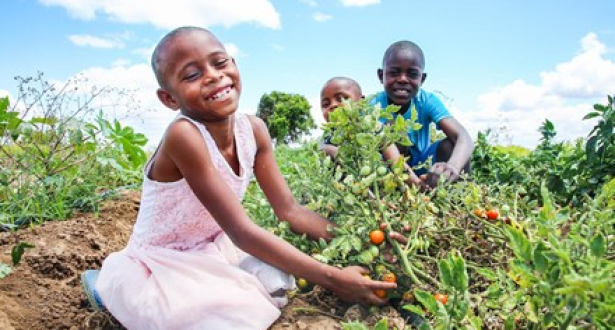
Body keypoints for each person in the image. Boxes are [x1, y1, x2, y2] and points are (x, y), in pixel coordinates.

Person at [79, 27, 397, 330]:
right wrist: (333, 278)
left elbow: (290, 210)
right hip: (161, 260)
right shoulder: (184, 136)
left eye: (220, 63)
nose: (213, 76)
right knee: (228, 317)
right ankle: (113, 289)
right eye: (192, 75)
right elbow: (242, 231)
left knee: (277, 282)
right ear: (169, 99)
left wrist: (366, 241)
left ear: (235, 64)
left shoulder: (254, 130)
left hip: (213, 246)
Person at [371, 40, 474, 188]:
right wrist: (415, 183)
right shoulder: (375, 105)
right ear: (381, 75)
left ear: (422, 79)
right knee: (390, 130)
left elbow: (463, 137)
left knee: (450, 145)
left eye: (412, 74)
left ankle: (461, 196)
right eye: (394, 72)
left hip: (423, 166)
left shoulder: (427, 100)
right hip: (390, 168)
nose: (402, 79)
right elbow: (386, 147)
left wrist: (453, 167)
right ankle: (401, 192)